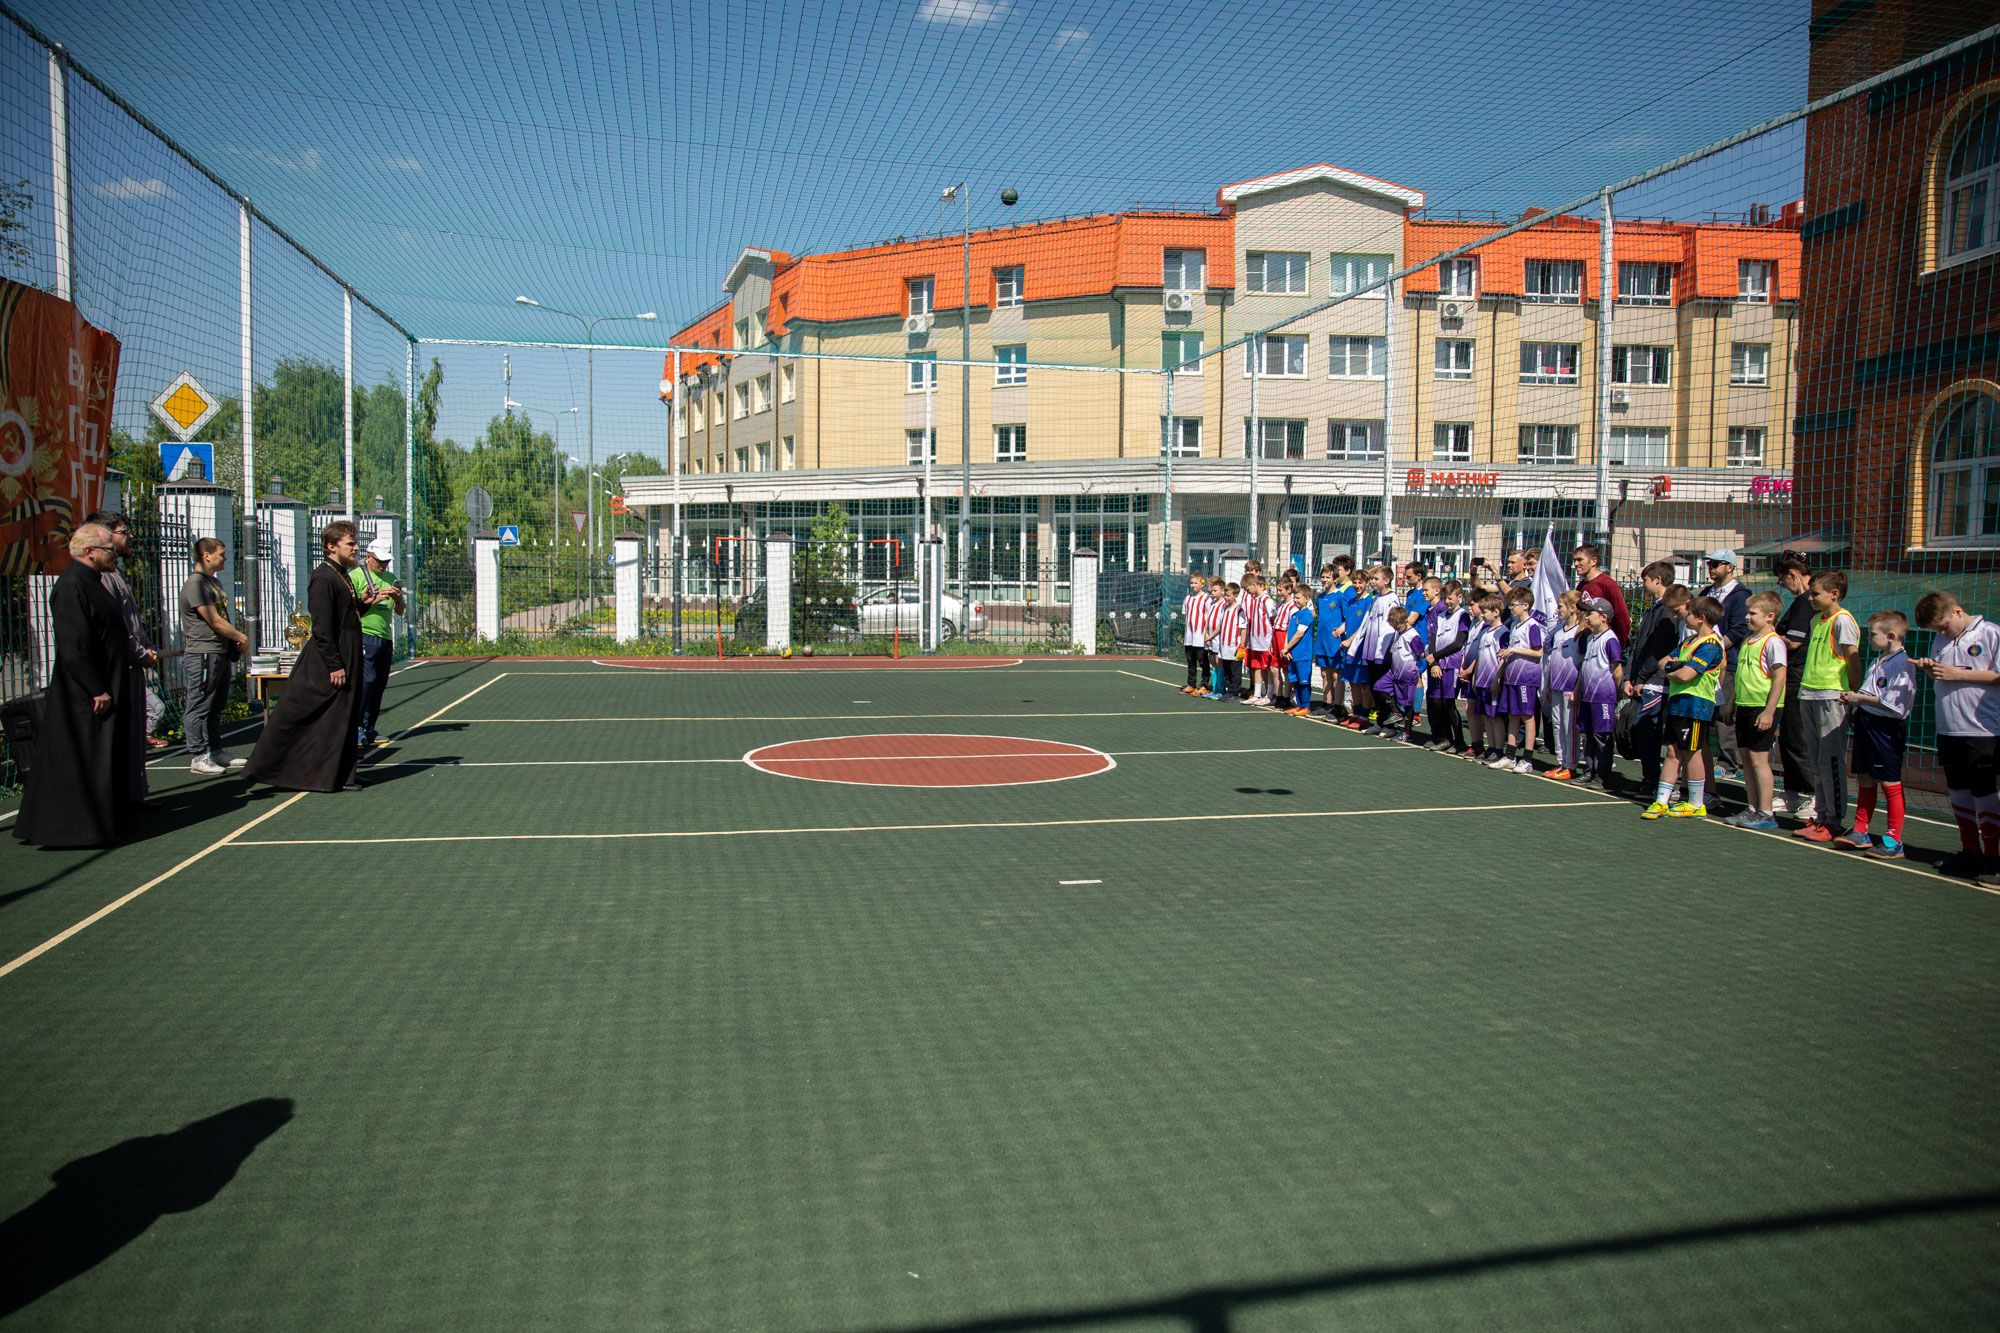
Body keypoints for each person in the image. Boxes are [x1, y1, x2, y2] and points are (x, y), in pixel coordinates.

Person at [14, 525, 141, 848]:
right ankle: (76, 829)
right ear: (89, 552)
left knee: (102, 756)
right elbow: (74, 645)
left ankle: (105, 822)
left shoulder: (92, 582)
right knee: (85, 757)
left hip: (106, 682)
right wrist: (96, 688)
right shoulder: (72, 585)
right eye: (109, 549)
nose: (114, 555)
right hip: (86, 693)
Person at [246, 520, 372, 793]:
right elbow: (323, 626)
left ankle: (343, 775)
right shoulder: (323, 577)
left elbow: (345, 615)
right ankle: (277, 769)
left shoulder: (341, 574)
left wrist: (363, 604)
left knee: (344, 715)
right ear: (331, 546)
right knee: (318, 714)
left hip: (348, 650)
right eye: (350, 543)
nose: (356, 548)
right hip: (332, 656)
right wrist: (335, 664)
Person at [1913, 592, 2000, 880]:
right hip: (1948, 727)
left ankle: (1993, 859)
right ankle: (1970, 851)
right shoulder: (1941, 639)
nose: (1941, 632)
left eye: (1942, 625)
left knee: (1984, 793)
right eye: (1936, 629)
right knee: (1959, 791)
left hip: (1982, 729)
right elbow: (1944, 675)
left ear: (1957, 611)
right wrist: (1931, 670)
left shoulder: (1990, 633)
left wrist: (1957, 674)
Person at [84, 510, 164, 799]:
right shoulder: (101, 578)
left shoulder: (115, 572)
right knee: (121, 735)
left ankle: (134, 794)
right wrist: (140, 653)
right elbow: (116, 625)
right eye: (123, 532)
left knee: (134, 733)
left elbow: (132, 621)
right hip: (119, 666)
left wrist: (147, 646)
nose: (130, 537)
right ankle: (121, 799)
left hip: (132, 665)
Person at [1835, 611, 1914, 859]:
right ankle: (1861, 830)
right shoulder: (1880, 659)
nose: (1869, 639)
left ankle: (1893, 839)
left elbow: (1895, 704)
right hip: (1866, 723)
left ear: (1890, 636)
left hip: (1885, 728)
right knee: (1865, 777)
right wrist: (1855, 704)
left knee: (1889, 780)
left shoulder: (1902, 663)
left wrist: (1859, 698)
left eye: (1872, 634)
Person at [1792, 571, 1861, 844]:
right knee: (1817, 761)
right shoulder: (1815, 620)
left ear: (1834, 594)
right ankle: (1820, 816)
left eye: (1815, 593)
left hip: (1832, 696)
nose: (1810, 598)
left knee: (1830, 761)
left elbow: (1853, 659)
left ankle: (1834, 820)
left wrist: (1854, 695)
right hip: (1809, 693)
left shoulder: (1842, 620)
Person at [1642, 595, 1726, 819]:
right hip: (1677, 702)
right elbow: (1664, 662)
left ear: (1700, 617)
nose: (1684, 617)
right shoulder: (1688, 641)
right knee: (1672, 751)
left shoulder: (1711, 645)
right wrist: (1675, 668)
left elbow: (1686, 674)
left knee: (1692, 752)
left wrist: (1674, 670)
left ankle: (1696, 802)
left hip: (1696, 704)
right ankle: (1661, 801)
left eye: (1689, 614)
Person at [181, 536, 250, 775]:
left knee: (216, 704)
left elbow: (222, 616)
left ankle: (216, 750)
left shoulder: (213, 582)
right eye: (221, 554)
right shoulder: (196, 584)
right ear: (206, 555)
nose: (225, 558)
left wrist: (232, 642)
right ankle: (198, 755)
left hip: (219, 652)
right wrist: (240, 636)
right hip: (203, 652)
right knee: (199, 704)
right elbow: (214, 620)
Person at [1725, 591, 1789, 831]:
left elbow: (1779, 677)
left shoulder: (1773, 642)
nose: (1747, 617)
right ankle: (1752, 807)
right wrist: (1731, 704)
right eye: (1748, 612)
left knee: (1758, 759)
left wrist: (1769, 711)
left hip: (1762, 707)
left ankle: (1766, 812)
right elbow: (1741, 676)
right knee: (1746, 757)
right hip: (1745, 705)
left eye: (1753, 613)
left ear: (1770, 616)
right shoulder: (1748, 640)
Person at [1623, 564, 1683, 796]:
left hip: (1656, 681)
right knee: (1643, 730)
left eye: (1645, 580)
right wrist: (1630, 676)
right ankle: (1649, 779)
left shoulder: (1667, 612)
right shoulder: (1654, 609)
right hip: (1644, 679)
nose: (1643, 585)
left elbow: (1657, 650)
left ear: (1657, 580)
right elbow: (1640, 646)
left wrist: (1641, 677)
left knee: (1648, 730)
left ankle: (1655, 781)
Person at [1771, 551, 1818, 820]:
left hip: (1799, 676)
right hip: (1793, 674)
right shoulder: (1803, 600)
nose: (1784, 586)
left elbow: (1795, 642)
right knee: (1788, 736)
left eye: (1782, 581)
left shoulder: (1805, 601)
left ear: (1792, 574)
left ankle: (1812, 796)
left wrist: (1768, 635)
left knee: (1798, 737)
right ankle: (1792, 792)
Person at [1698, 549, 1752, 780]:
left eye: (1716, 564)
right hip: (1704, 662)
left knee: (1723, 714)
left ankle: (1729, 763)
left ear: (1730, 566)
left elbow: (1738, 630)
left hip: (1726, 663)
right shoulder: (1707, 592)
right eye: (1709, 563)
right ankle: (1703, 757)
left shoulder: (1740, 596)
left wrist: (1715, 649)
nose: (1711, 567)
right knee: (1706, 711)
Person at [350, 534, 404, 746]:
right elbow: (350, 609)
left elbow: (400, 610)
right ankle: (356, 727)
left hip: (384, 638)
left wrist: (397, 598)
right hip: (364, 635)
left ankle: (369, 728)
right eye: (380, 560)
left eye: (386, 561)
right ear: (368, 556)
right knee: (367, 681)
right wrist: (371, 601)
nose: (384, 565)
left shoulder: (390, 578)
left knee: (379, 684)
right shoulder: (356, 576)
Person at [1572, 596, 1624, 790]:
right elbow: (1585, 667)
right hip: (1588, 695)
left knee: (1602, 736)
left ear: (1603, 616)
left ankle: (1602, 775)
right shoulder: (1591, 637)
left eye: (1590, 613)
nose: (1586, 616)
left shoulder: (1610, 639)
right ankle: (1590, 770)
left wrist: (1613, 693)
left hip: (1602, 697)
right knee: (1588, 735)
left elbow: (1617, 671)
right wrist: (1579, 689)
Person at [1491, 586, 1543, 774]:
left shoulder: (1532, 626)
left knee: (1527, 717)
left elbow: (1538, 652)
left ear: (1525, 605)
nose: (1511, 608)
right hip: (1511, 678)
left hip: (1526, 679)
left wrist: (1514, 650)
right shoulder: (1514, 625)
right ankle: (1510, 756)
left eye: (1513, 605)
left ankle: (1527, 758)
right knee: (1512, 715)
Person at [1424, 580, 1470, 753]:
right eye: (1445, 598)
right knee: (1437, 702)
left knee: (1448, 702)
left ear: (1459, 597)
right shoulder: (1441, 615)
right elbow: (1433, 639)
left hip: (1452, 663)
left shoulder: (1463, 615)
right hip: (1438, 663)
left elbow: (1458, 643)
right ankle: (1445, 738)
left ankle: (1460, 741)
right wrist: (1434, 662)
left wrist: (1435, 656)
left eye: (1450, 598)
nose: (1447, 602)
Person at [1542, 590, 1583, 780]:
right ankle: (1561, 762)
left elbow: (1581, 663)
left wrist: (1577, 688)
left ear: (1572, 608)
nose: (1557, 610)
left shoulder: (1580, 633)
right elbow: (1552, 660)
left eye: (1560, 606)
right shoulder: (1558, 632)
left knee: (1570, 727)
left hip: (1570, 686)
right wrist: (1548, 685)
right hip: (1556, 685)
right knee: (1557, 725)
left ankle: (1571, 764)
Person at [1462, 593, 1507, 763]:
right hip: (1481, 680)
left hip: (1492, 680)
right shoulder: (1484, 631)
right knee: (1486, 716)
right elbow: (1480, 656)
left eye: (1485, 611)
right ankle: (1490, 748)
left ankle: (1498, 749)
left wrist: (1497, 680)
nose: (1482, 615)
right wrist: (1475, 677)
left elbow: (1503, 659)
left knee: (1495, 716)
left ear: (1496, 612)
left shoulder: (1503, 632)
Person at [1570, 543, 1631, 644]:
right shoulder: (1581, 586)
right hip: (1586, 642)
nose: (1576, 564)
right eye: (1575, 560)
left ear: (1593, 561)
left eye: (1580, 560)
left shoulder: (1608, 584)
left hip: (1603, 642)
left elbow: (1622, 617)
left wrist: (1618, 643)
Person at [1382, 607, 1425, 742]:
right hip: (1396, 672)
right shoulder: (1399, 632)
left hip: (1408, 672)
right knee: (1380, 686)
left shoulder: (1412, 635)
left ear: (1405, 621)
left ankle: (1407, 732)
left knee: (1407, 703)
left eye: (1398, 626)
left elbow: (1421, 653)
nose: (1396, 628)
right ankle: (1396, 712)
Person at [1283, 586, 1316, 717]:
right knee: (1295, 679)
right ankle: (1299, 704)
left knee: (1303, 680)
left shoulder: (1307, 615)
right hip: (1292, 654)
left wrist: (1286, 648)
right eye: (1294, 598)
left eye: (1298, 598)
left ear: (1306, 599)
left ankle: (1306, 706)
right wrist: (1287, 648)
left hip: (1303, 654)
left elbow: (1299, 634)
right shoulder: (1294, 615)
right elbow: (1289, 633)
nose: (1295, 600)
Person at [1178, 574, 1208, 694]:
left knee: (1203, 661)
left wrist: (1207, 634)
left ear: (1202, 583)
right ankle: (1191, 684)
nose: (1193, 585)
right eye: (1191, 583)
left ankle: (1205, 685)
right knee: (1191, 661)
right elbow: (1186, 615)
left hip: (1200, 636)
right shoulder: (1188, 598)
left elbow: (1209, 617)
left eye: (1195, 583)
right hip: (1189, 636)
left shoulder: (1206, 599)